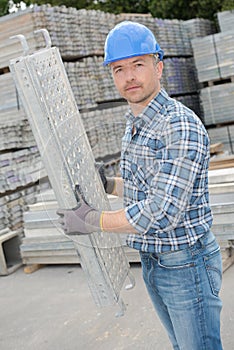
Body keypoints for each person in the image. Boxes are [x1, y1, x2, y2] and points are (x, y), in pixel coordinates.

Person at [57, 21, 223, 350]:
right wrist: (110, 184)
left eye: (138, 65)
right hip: (153, 259)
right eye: (119, 69)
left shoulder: (178, 125)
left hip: (185, 263)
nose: (129, 76)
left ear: (158, 67)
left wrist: (93, 220)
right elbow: (145, 188)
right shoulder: (136, 122)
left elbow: (161, 212)